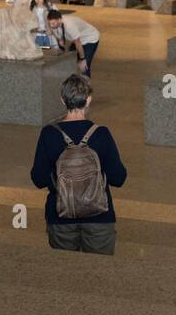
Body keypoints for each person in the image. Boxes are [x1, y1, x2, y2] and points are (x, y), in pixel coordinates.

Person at [30, 75, 127, 256]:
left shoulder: (49, 134)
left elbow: (38, 179)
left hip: (60, 215)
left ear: (62, 99)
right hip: (99, 216)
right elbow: (119, 178)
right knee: (99, 273)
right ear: (89, 100)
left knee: (66, 274)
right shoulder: (102, 134)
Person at [47, 10, 100, 76]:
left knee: (83, 67)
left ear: (60, 20)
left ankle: (85, 84)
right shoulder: (55, 25)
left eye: (53, 23)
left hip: (90, 38)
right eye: (49, 23)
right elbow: (61, 41)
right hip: (77, 39)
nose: (51, 26)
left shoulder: (69, 25)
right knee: (70, 61)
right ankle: (73, 83)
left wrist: (82, 59)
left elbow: (78, 43)